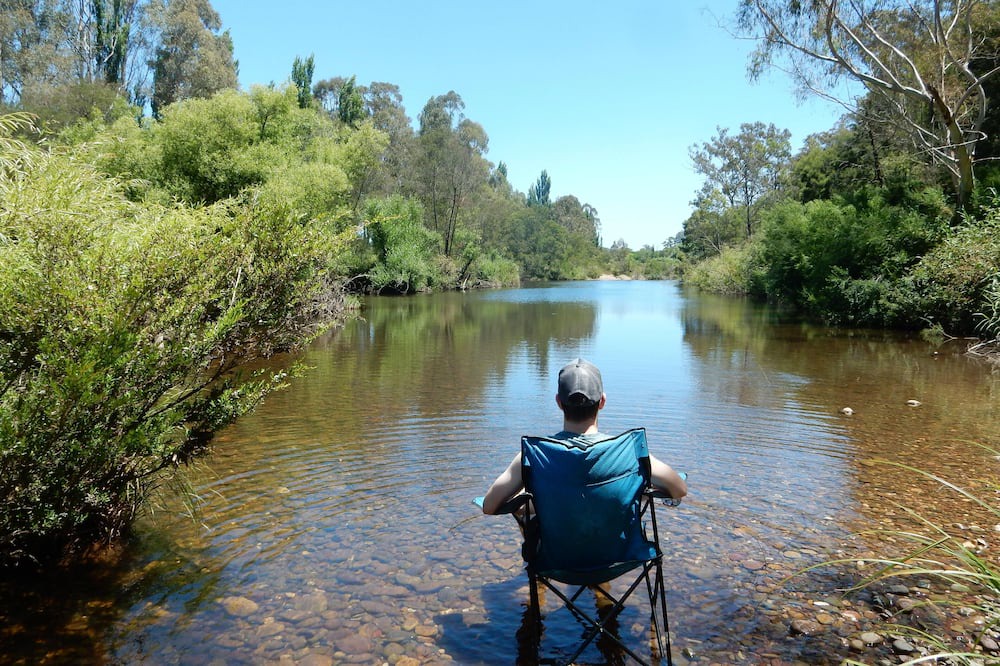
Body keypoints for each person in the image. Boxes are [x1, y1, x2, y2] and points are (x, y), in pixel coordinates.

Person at [482, 358, 687, 515]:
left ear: (558, 402)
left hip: (555, 555)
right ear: (602, 402)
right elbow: (679, 489)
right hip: (618, 554)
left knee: (526, 506)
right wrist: (636, 492)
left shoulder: (533, 456)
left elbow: (489, 506)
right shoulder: (631, 453)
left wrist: (528, 497)